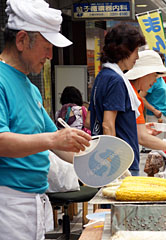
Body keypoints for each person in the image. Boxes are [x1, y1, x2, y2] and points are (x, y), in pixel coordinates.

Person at [0, 0, 91, 239]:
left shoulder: (31, 89)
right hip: (8, 202)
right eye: (46, 46)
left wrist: (98, 164)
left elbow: (60, 144)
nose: (50, 55)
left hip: (36, 200)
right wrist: (54, 139)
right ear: (21, 40)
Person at [89, 23, 146, 176]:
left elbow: (90, 118)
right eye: (135, 51)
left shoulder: (103, 76)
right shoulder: (115, 80)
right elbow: (107, 124)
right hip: (121, 163)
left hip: (104, 160)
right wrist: (115, 166)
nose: (137, 57)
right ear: (124, 50)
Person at [139, 51, 166, 139]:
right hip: (156, 116)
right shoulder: (151, 79)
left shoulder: (159, 78)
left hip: (163, 114)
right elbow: (141, 96)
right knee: (156, 143)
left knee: (162, 142)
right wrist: (154, 110)